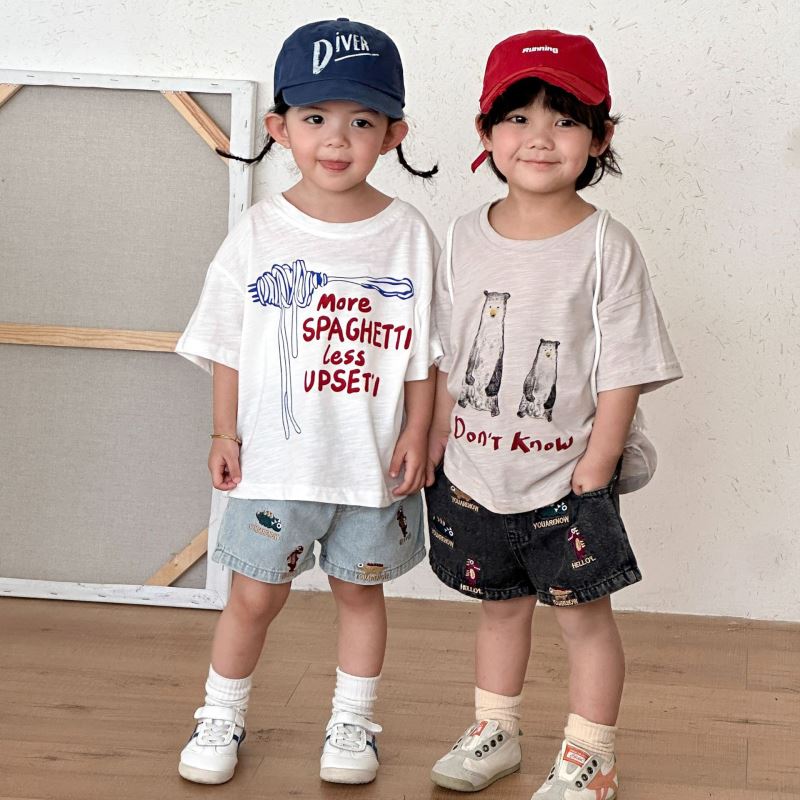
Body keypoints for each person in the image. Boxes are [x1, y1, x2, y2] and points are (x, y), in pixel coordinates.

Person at [174, 17, 439, 787]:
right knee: (254, 597)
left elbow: (424, 350)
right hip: (276, 461)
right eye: (316, 117)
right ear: (279, 127)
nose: (336, 139)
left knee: (360, 594)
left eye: (361, 121)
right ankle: (221, 713)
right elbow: (226, 341)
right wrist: (223, 431)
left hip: (371, 464)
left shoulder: (408, 234)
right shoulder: (259, 231)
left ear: (393, 134)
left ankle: (353, 725)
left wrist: (418, 431)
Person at [424, 29, 682, 798]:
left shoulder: (606, 246)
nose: (540, 137)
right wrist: (435, 435)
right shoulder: (462, 235)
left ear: (600, 138)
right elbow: (448, 350)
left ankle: (590, 757)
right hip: (476, 470)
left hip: (568, 479)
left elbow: (625, 366)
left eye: (565, 120)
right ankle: (496, 729)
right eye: (519, 117)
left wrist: (596, 468)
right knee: (499, 609)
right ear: (486, 133)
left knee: (583, 619)